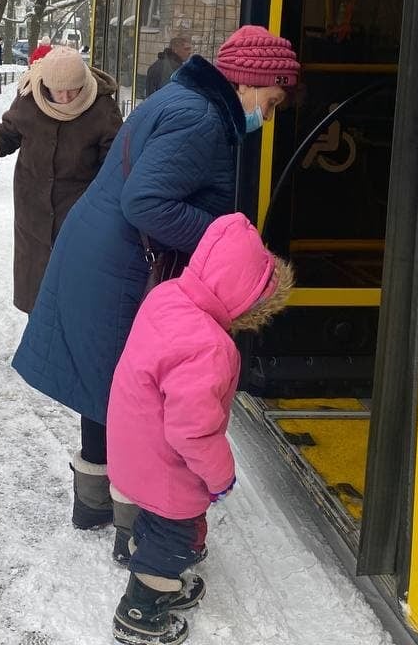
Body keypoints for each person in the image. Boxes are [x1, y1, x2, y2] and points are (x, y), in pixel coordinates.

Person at [11, 25, 300, 558]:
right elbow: (146, 203)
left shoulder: (186, 99)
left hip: (100, 251)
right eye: (272, 101)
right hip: (118, 262)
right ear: (251, 82)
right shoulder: (201, 119)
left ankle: (94, 500)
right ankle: (134, 525)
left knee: (103, 379)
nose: (270, 114)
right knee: (130, 393)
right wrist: (218, 240)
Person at [107, 213, 292, 645]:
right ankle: (141, 608)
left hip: (134, 446)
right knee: (178, 539)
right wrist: (220, 476)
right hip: (167, 465)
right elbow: (192, 431)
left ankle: (149, 560)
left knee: (155, 518)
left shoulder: (169, 295)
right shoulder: (209, 345)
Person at [0, 47, 123, 313]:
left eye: (73, 90)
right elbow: (7, 133)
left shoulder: (101, 107)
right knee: (36, 286)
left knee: (76, 287)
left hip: (78, 209)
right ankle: (38, 343)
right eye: (57, 91)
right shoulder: (30, 97)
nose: (64, 97)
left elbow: (114, 162)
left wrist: (106, 202)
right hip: (33, 207)